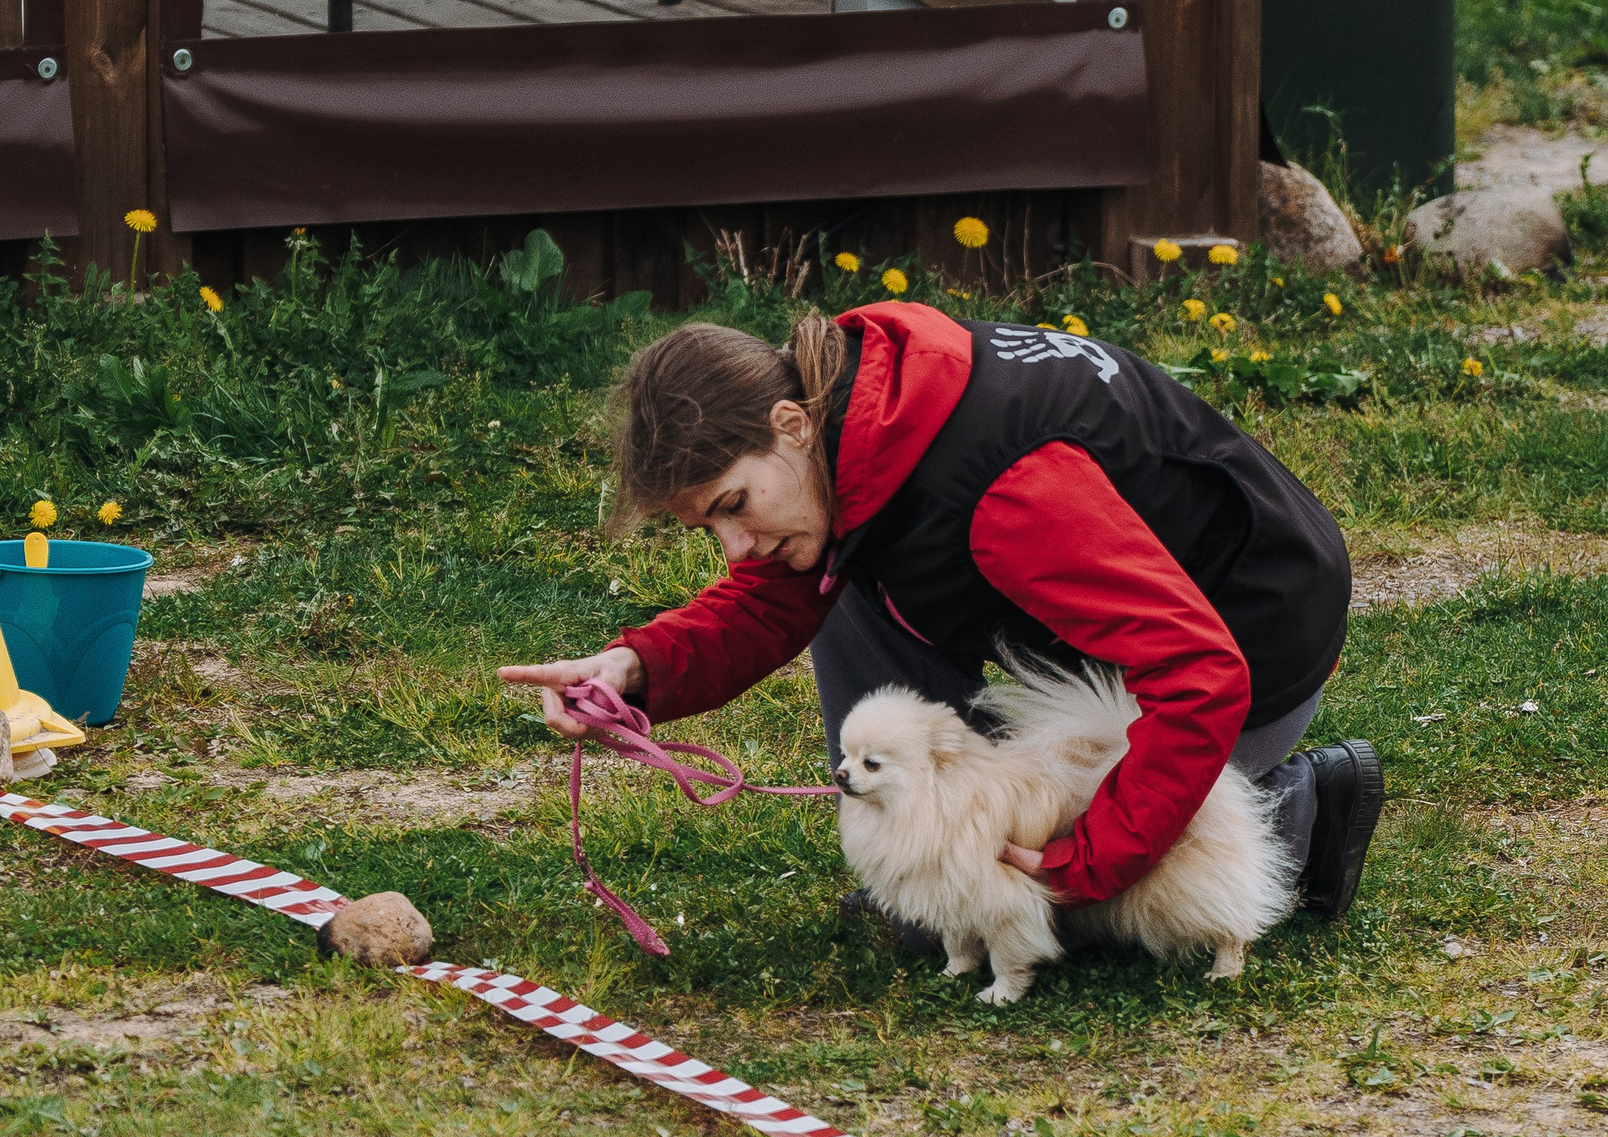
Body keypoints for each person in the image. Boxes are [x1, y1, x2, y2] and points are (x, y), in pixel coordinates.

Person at [499, 300, 1382, 950]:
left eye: (733, 506)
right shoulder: (857, 423)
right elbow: (771, 600)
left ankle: (1291, 814)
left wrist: (1085, 866)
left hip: (1251, 637)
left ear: (790, 423)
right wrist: (633, 669)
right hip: (1106, 633)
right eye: (710, 526)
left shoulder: (1005, 490)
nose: (733, 547)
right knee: (831, 581)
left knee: (1017, 912)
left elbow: (1198, 673)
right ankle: (924, 853)